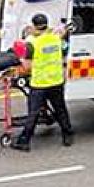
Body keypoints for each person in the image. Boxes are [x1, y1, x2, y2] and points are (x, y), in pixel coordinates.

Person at [12, 14, 74, 151]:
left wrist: (20, 58)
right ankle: (67, 135)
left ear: (34, 26)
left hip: (40, 83)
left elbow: (27, 66)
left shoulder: (31, 43)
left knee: (33, 113)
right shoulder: (56, 38)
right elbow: (63, 38)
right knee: (60, 109)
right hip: (56, 81)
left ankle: (24, 141)